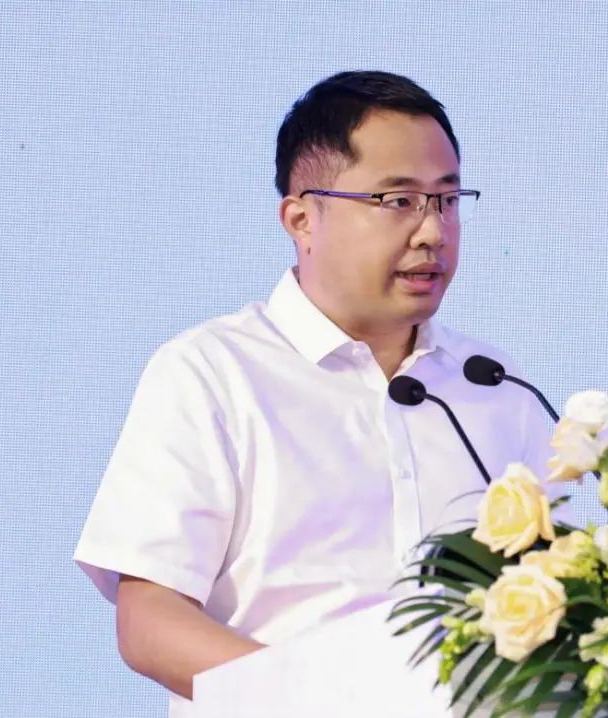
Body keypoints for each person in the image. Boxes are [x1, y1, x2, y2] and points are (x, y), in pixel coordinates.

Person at [74, 70, 555, 715]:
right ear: (301, 218)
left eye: (446, 200)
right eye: (398, 201)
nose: (433, 232)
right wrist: (326, 701)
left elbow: (556, 597)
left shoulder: (494, 384)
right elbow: (150, 623)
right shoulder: (213, 373)